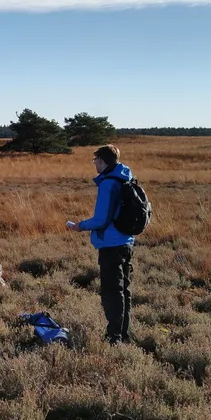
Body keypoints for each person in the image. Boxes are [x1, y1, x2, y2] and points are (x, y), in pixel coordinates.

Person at [67, 144, 135, 345]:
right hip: (126, 241)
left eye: (95, 160)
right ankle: (123, 334)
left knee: (112, 292)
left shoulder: (108, 184)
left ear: (103, 161)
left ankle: (114, 337)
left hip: (111, 245)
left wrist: (80, 226)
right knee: (124, 290)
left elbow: (101, 220)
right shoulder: (125, 178)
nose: (94, 163)